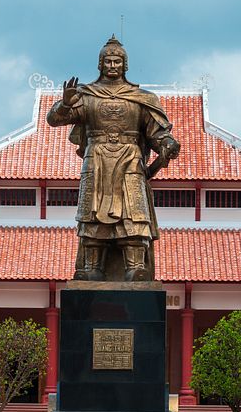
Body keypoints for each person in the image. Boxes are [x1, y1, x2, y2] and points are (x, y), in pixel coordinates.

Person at [46, 36, 180, 281]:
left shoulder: (141, 98)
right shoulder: (88, 96)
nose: (112, 66)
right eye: (108, 61)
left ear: (125, 65)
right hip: (96, 158)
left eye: (117, 61)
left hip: (130, 158)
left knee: (134, 213)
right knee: (92, 213)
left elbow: (157, 132)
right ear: (100, 64)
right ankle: (91, 268)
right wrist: (65, 104)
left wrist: (167, 143)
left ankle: (135, 267)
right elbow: (55, 120)